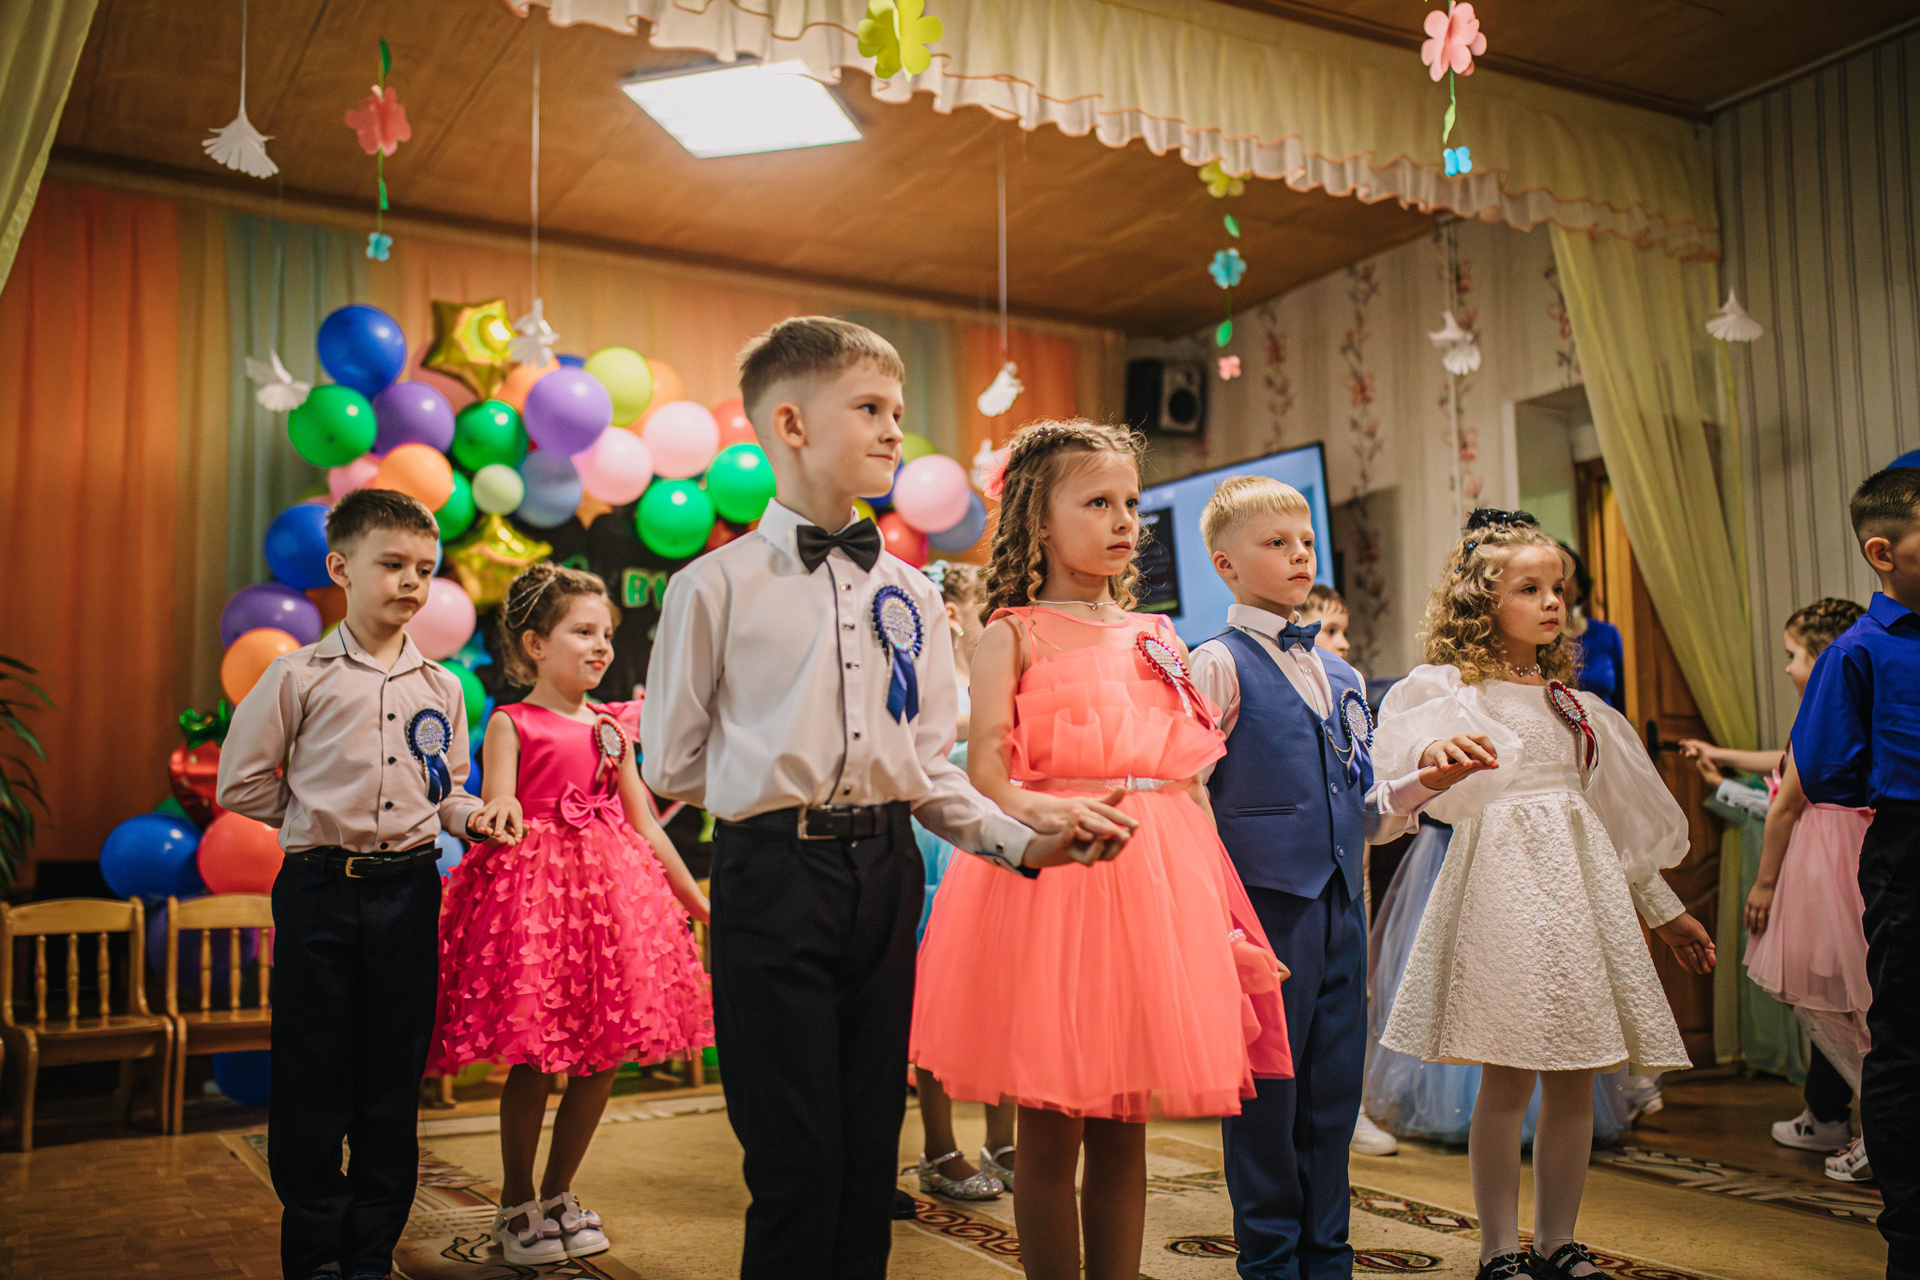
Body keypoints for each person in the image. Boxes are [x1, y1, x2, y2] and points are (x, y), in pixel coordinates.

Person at [641, 319, 1122, 1280]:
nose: (895, 429)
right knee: (796, 1160)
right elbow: (673, 761)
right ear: (790, 424)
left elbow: (929, 766)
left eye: (898, 411)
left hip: (888, 870)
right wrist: (773, 790)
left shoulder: (909, 590)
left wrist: (1025, 839)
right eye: (869, 408)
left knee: (869, 1155)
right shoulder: (713, 587)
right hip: (773, 877)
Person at [912, 420, 1290, 1280]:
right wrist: (1056, 817)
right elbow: (988, 774)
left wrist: (1224, 923)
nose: (1124, 522)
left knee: (1126, 1127)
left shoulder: (1157, 635)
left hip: (1157, 883)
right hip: (1056, 882)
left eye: (1131, 504)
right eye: (1097, 503)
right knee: (1051, 1125)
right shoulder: (1013, 633)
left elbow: (1190, 786)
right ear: (1039, 520)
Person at [1373, 510, 1715, 1280]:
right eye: (1529, 588)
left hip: (1579, 908)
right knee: (1507, 1078)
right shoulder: (1456, 693)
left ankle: (1558, 1239)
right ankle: (1498, 1248)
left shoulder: (1573, 705)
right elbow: (1402, 756)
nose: (1552, 601)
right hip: (1504, 902)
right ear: (1482, 602)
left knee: (1575, 1077)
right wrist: (1432, 754)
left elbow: (1613, 825)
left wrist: (1665, 912)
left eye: (1557, 587)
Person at [216, 488, 509, 1280]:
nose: (412, 582)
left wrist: (474, 816)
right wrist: (317, 817)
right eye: (393, 564)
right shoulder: (297, 676)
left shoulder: (441, 687)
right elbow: (240, 782)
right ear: (341, 568)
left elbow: (445, 790)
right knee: (313, 1075)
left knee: (390, 1078)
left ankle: (372, 1254)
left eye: (425, 568)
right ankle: (316, 1256)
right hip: (319, 892)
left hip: (409, 893)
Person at [1185, 476, 1459, 1275]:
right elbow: (1187, 797)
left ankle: (1327, 1256)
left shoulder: (1342, 677)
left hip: (1341, 906)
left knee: (1334, 1094)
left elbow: (1363, 805)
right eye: (1276, 543)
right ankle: (1270, 1261)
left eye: (1304, 541)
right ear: (1225, 564)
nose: (1299, 555)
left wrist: (1421, 785)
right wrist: (1220, 923)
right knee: (1268, 1097)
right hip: (1264, 912)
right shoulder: (1215, 664)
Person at [431, 564, 713, 1262]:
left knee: (603, 1056)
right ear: (535, 644)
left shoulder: (612, 730)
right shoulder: (512, 721)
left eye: (607, 634)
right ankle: (516, 1201)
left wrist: (700, 905)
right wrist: (499, 809)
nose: (602, 646)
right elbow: (499, 799)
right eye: (583, 632)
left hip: (612, 906)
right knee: (536, 1056)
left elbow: (647, 827)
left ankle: (560, 1191)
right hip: (536, 905)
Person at [1791, 467, 1920, 1279]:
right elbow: (1826, 769)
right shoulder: (1857, 652)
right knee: (1906, 1043)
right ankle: (1911, 1241)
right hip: (1908, 850)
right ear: (1883, 552)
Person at [1737, 597, 1872, 1182]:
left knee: (1824, 997)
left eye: (1794, 655)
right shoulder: (1865, 703)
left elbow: (1786, 806)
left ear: (1821, 659)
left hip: (1823, 860)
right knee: (1856, 995)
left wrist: (1764, 884)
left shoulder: (1820, 712)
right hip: (1860, 848)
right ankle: (1862, 1121)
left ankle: (1884, 1126)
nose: (1788, 667)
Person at [908, 561, 1016, 1203]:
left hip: (997, 835)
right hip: (939, 846)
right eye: (987, 611)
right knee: (937, 995)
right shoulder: (932, 679)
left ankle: (1001, 1139)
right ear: (953, 615)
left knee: (1002, 992)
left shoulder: (997, 670)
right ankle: (939, 1146)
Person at [1558, 544, 1625, 714]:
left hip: (1606, 726)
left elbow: (1620, 703)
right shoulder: (1536, 640)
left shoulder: (1607, 634)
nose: (1557, 586)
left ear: (1579, 586)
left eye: (1564, 575)